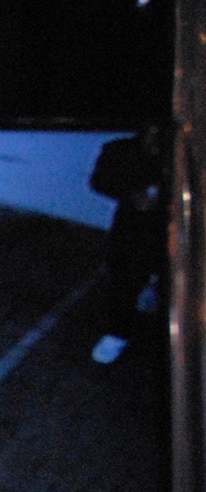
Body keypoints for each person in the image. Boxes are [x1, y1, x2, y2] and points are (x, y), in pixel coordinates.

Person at [88, 129, 166, 365]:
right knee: (122, 281)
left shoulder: (186, 148)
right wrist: (132, 194)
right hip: (132, 229)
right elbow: (99, 181)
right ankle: (117, 333)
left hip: (176, 229)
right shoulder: (119, 149)